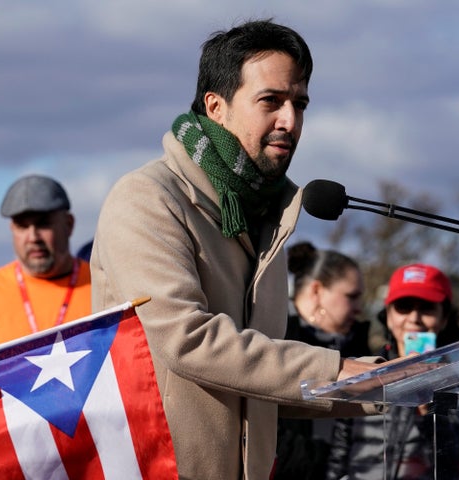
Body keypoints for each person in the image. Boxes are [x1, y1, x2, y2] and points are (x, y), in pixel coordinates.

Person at [90, 19, 382, 480]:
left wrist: (385, 386)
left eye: (299, 104)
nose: (290, 121)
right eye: (271, 101)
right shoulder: (147, 198)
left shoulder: (269, 214)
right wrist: (341, 369)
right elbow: (187, 342)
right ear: (216, 107)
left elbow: (258, 386)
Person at [0, 174, 92, 480]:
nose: (33, 236)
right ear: (12, 230)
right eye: (22, 225)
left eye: (44, 222)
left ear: (69, 224)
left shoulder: (103, 286)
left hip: (87, 469)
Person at [326, 263, 459, 480]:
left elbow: (458, 460)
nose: (414, 318)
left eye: (427, 307)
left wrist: (430, 408)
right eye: (404, 306)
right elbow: (339, 454)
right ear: (388, 316)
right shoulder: (364, 372)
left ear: (444, 317)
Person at [275, 241, 373, 479]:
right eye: (352, 296)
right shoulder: (274, 337)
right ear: (317, 291)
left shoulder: (359, 343)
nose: (359, 308)